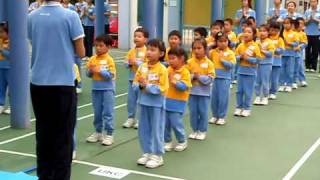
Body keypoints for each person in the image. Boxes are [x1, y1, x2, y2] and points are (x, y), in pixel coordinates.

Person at [28, 0, 85, 179]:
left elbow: (34, 42)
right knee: (63, 136)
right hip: (62, 83)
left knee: (43, 134)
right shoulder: (71, 15)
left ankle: (44, 175)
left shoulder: (31, 17)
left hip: (37, 83)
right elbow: (81, 52)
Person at [134, 39, 169, 169]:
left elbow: (162, 89)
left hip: (156, 105)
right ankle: (147, 152)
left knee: (156, 129)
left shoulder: (162, 69)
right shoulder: (142, 67)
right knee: (143, 129)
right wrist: (140, 86)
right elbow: (134, 84)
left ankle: (157, 155)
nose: (148, 52)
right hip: (143, 103)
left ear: (161, 54)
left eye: (153, 50)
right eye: (148, 49)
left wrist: (147, 86)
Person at [86, 35, 116, 146]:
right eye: (96, 46)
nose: (98, 48)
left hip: (107, 90)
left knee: (107, 112)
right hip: (95, 89)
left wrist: (99, 71)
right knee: (97, 112)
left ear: (108, 47)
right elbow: (88, 74)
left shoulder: (109, 60)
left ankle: (109, 134)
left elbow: (110, 76)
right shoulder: (92, 59)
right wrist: (90, 70)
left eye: (101, 46)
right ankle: (98, 132)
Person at [186, 38, 215, 140]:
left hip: (204, 93)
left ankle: (202, 131)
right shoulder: (189, 62)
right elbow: (185, 77)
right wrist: (193, 76)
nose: (197, 50)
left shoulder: (209, 63)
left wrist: (199, 77)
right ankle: (194, 130)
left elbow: (210, 79)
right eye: (194, 48)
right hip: (192, 92)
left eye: (199, 48)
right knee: (193, 112)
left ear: (205, 49)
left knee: (203, 112)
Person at [164, 47, 191, 152]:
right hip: (166, 101)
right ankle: (167, 141)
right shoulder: (168, 70)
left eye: (173, 58)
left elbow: (184, 87)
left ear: (181, 59)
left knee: (176, 123)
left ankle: (182, 141)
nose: (170, 61)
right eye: (169, 58)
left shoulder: (185, 72)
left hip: (178, 102)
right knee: (165, 124)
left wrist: (174, 81)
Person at [122, 28, 148, 129]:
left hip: (141, 81)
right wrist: (128, 63)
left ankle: (140, 119)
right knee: (131, 100)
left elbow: (147, 64)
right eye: (135, 36)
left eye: (139, 36)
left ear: (145, 39)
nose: (136, 38)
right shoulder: (131, 51)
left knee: (141, 100)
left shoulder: (147, 51)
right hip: (131, 79)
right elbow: (125, 63)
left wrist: (136, 62)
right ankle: (130, 118)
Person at [234, 26, 261, 117]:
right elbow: (235, 58)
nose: (246, 33)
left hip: (250, 72)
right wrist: (240, 57)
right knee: (239, 91)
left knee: (248, 91)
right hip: (241, 71)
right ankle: (239, 107)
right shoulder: (240, 45)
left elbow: (258, 60)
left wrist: (248, 59)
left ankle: (247, 108)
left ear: (253, 35)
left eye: (249, 32)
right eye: (245, 31)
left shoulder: (255, 46)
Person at [209, 32, 236, 125]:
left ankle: (221, 116)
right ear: (216, 42)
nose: (223, 43)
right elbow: (208, 61)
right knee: (214, 98)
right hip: (214, 78)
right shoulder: (212, 52)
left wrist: (222, 60)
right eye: (220, 41)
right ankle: (214, 115)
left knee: (223, 98)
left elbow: (231, 65)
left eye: (225, 41)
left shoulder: (230, 53)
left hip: (225, 78)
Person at [254, 24, 275, 106]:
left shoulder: (269, 42)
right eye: (260, 31)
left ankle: (265, 96)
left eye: (264, 31)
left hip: (266, 64)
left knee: (265, 81)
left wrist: (261, 50)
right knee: (257, 81)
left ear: (268, 32)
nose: (262, 33)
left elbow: (270, 53)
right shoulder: (257, 41)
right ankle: (258, 96)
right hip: (258, 63)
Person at [279, 17, 299, 93]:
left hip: (290, 54)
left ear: (291, 24)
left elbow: (296, 43)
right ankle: (281, 84)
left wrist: (289, 43)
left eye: (287, 23)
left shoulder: (294, 33)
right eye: (284, 23)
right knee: (281, 70)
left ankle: (289, 85)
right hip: (282, 54)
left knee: (289, 70)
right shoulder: (281, 32)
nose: (286, 25)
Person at [269, 22, 285, 100]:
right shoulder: (267, 38)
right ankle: (266, 92)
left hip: (276, 62)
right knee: (266, 78)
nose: (273, 32)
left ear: (279, 31)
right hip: (267, 62)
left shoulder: (280, 39)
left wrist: (273, 49)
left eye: (276, 30)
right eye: (272, 30)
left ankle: (273, 92)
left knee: (274, 79)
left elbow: (281, 50)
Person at [304, 0, 320, 72]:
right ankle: (307, 66)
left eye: (314, 1)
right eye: (311, 2)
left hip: (317, 33)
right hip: (307, 33)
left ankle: (313, 67)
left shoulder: (319, 11)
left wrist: (314, 19)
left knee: (315, 51)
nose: (313, 3)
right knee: (307, 50)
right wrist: (309, 20)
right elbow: (304, 23)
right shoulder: (307, 11)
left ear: (317, 2)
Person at [293, 17, 308, 88]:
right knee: (292, 67)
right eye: (299, 23)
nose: (300, 25)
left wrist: (299, 47)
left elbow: (305, 43)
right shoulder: (292, 32)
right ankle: (293, 81)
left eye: (302, 23)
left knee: (300, 66)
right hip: (291, 53)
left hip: (299, 53)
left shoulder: (303, 34)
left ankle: (302, 80)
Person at [0, 23, 10, 115]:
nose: (0, 34)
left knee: (12, 89)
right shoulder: (0, 40)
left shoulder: (12, 42)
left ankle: (12, 106)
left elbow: (11, 56)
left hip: (10, 68)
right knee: (1, 88)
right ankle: (1, 105)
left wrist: (2, 50)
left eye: (2, 32)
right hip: (1, 67)